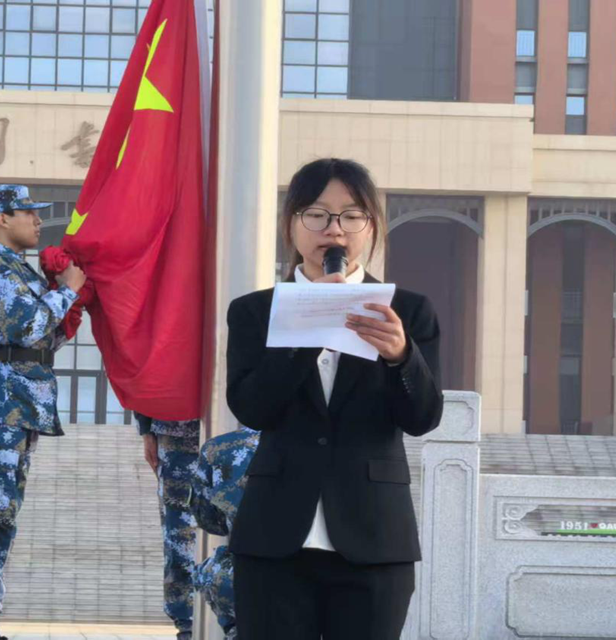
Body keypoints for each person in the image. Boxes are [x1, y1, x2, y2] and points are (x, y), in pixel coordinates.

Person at [226, 158, 444, 640]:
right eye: (317, 214)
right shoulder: (254, 311)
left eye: (351, 215)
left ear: (372, 227)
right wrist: (309, 327)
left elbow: (423, 417)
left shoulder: (407, 310)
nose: (334, 229)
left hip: (374, 539)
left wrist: (401, 357)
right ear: (291, 224)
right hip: (274, 539)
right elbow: (252, 409)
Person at [0, 184, 87, 640]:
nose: (38, 220)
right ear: (2, 218)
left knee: (1, 519)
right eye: (28, 212)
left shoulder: (15, 268)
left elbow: (40, 339)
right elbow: (27, 326)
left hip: (16, 405)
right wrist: (66, 291)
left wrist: (65, 305)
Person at [189, 425, 261, 640]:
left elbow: (209, 521)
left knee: (217, 571)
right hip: (327, 574)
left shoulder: (218, 448)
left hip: (247, 573)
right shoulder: (336, 442)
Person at [135, 412, 201, 640]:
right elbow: (144, 386)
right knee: (180, 538)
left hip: (247, 427)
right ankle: (187, 626)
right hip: (178, 431)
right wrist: (146, 430)